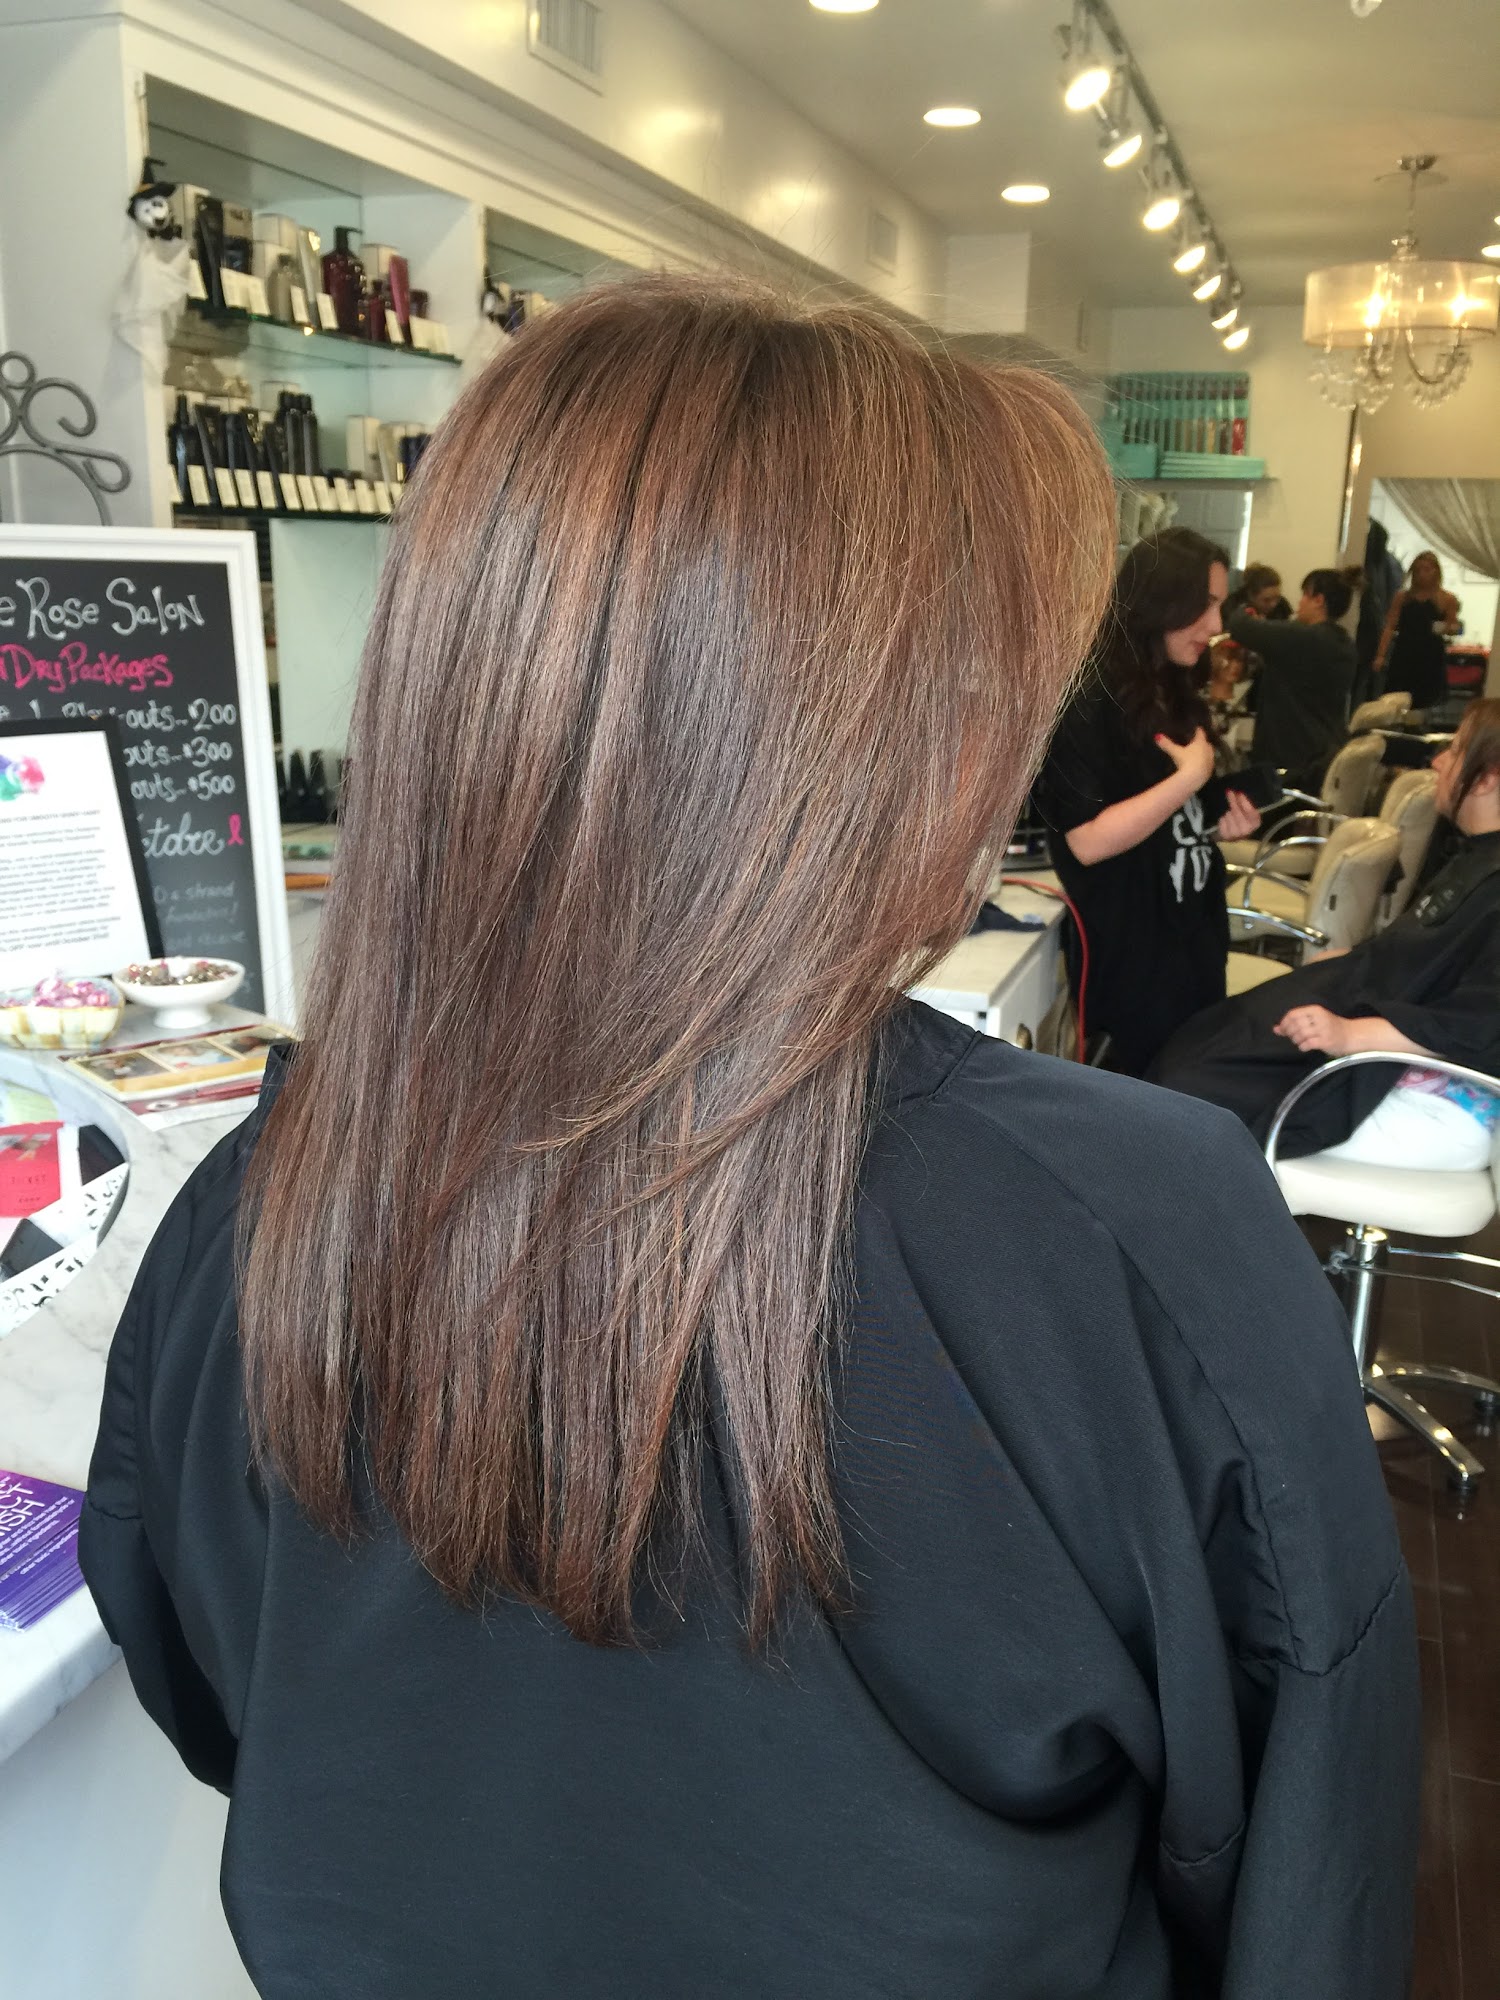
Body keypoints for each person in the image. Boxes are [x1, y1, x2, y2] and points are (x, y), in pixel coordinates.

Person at [80, 276, 1417, 2000]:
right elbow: (1298, 1854)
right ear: (893, 737)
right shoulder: (1139, 1231)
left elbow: (217, 1686)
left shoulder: (263, 1200)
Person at [1151, 696, 1500, 1157]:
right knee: (1196, 1041)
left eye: (1454, 751)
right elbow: (1429, 954)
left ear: (1486, 779)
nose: (1437, 760)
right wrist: (1358, 958)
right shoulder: (1477, 855)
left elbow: (1479, 1023)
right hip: (1358, 996)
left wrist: (1349, 1035)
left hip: (1381, 1054)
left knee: (1186, 1088)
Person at [1033, 528, 1260, 1077]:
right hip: (1134, 956)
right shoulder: (1087, 696)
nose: (1216, 625)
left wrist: (1214, 819)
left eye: (1220, 606)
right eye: (1205, 605)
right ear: (1163, 600)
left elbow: (1166, 813)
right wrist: (1189, 779)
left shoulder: (1171, 686)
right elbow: (1087, 840)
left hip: (1191, 934)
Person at [1228, 567, 1357, 789]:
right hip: (1323, 748)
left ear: (1318, 600)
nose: (1299, 602)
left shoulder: (1305, 639)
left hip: (1292, 758)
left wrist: (1244, 605)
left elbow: (1240, 626)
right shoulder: (1344, 643)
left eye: (1305, 595)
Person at [1374, 550, 1461, 713]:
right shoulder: (1402, 597)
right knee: (1395, 696)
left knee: (1426, 699)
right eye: (1418, 570)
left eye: (1427, 570)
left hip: (1431, 654)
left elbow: (1454, 626)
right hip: (1404, 651)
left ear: (1436, 571)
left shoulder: (1446, 599)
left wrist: (1445, 627)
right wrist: (1381, 655)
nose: (1422, 574)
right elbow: (1389, 626)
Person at [1352, 518, 1405, 709]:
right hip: (1374, 627)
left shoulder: (1379, 563)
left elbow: (1387, 600)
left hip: (1371, 628)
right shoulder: (1389, 564)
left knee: (1364, 680)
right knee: (1368, 681)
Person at [1223, 560, 1291, 621]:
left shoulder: (1281, 607)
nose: (1273, 604)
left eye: (1277, 598)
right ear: (1251, 596)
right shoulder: (1232, 607)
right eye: (1266, 600)